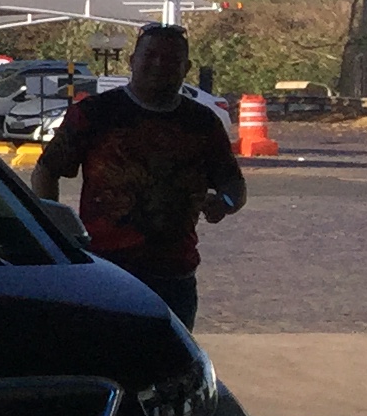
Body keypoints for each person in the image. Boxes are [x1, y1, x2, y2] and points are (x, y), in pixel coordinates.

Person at [31, 20, 247, 326]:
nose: (159, 64)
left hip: (175, 276)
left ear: (186, 67)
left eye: (171, 58)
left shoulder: (202, 122)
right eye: (151, 55)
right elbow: (46, 171)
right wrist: (54, 230)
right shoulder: (96, 113)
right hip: (106, 271)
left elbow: (233, 184)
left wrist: (224, 202)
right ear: (133, 61)